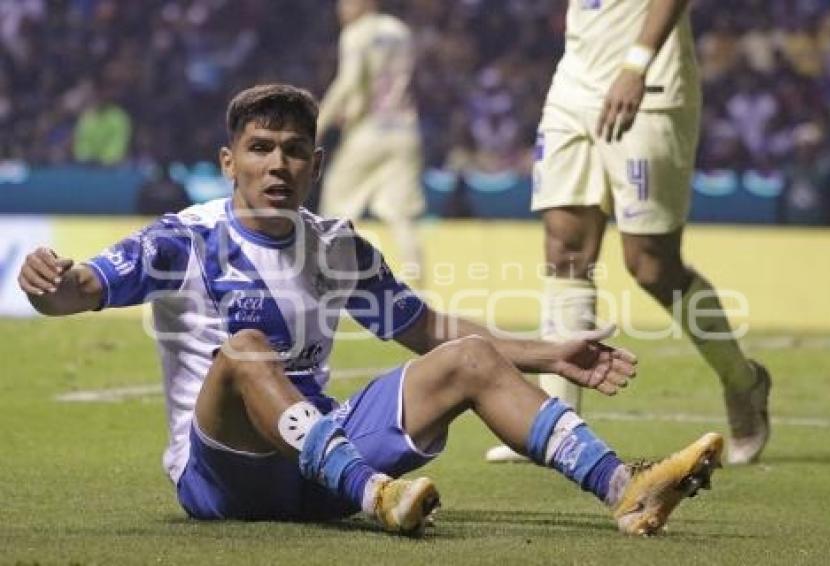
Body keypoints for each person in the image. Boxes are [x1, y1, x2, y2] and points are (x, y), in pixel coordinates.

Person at [18, 84, 723, 537]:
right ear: (228, 161)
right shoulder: (184, 239)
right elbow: (77, 290)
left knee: (469, 359)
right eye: (259, 149)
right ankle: (377, 494)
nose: (277, 165)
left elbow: (426, 330)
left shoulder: (337, 247)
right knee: (246, 350)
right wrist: (49, 283)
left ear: (317, 165)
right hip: (222, 473)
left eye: (294, 152)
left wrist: (547, 350)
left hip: (318, 455)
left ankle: (623, 487)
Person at [486, 0, 770, 466]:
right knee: (564, 249)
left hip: (648, 84)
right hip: (574, 84)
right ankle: (552, 426)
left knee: (652, 266)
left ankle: (743, 381)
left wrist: (636, 64)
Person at [317, 0, 425, 284]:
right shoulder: (400, 30)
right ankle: (418, 288)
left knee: (334, 206)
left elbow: (350, 83)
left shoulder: (355, 34)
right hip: (405, 130)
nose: (341, 8)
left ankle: (327, 285)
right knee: (400, 214)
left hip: (369, 133)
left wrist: (317, 125)